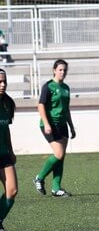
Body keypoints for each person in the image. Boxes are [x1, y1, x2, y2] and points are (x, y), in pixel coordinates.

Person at [33, 59, 75, 197]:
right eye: (60, 69)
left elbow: (67, 109)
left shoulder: (66, 88)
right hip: (50, 125)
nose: (63, 72)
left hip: (63, 126)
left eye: (65, 70)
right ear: (54, 70)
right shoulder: (48, 86)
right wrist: (46, 123)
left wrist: (72, 127)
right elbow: (41, 105)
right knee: (58, 154)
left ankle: (56, 189)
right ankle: (39, 178)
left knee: (61, 157)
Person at [0, 69, 17, 231]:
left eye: (4, 81)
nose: (3, 84)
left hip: (4, 153)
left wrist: (11, 151)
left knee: (12, 190)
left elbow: (6, 129)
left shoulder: (8, 103)